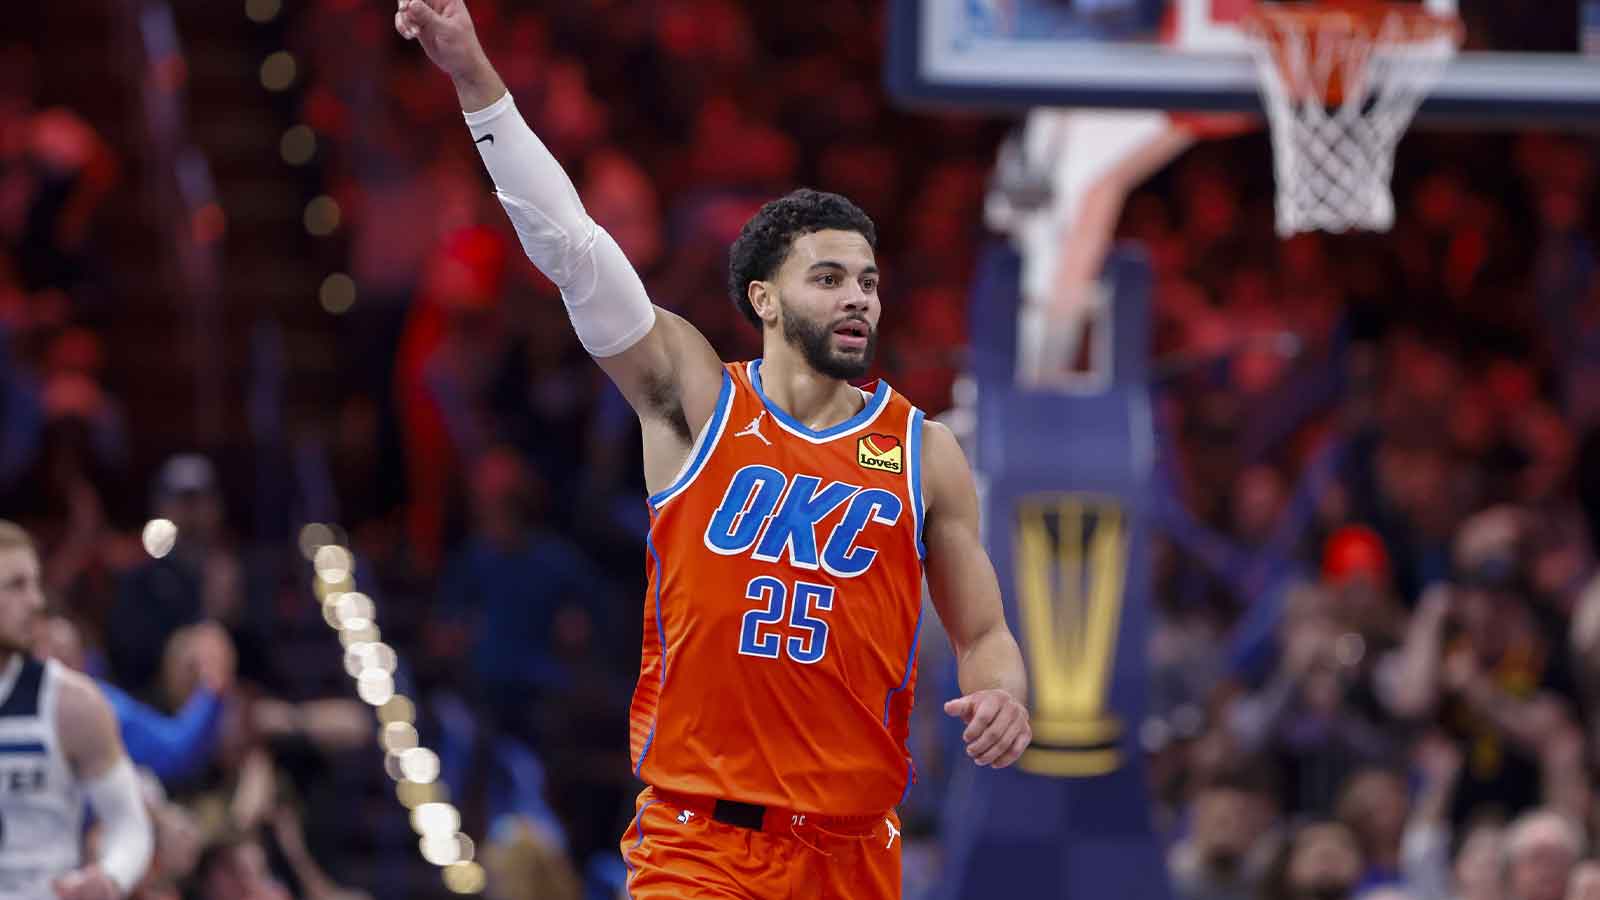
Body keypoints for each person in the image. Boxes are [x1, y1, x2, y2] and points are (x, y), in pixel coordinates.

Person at [395, 2, 1032, 897]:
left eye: (869, 281)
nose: (858, 299)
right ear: (764, 300)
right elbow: (575, 250)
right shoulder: (698, 400)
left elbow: (986, 633)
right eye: (828, 278)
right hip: (702, 847)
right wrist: (476, 80)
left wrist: (1003, 690)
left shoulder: (926, 452)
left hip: (853, 853)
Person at [0, 520, 152, 898]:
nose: (36, 602)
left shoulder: (72, 704)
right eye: (17, 585)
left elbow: (131, 825)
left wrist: (110, 876)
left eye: (35, 583)